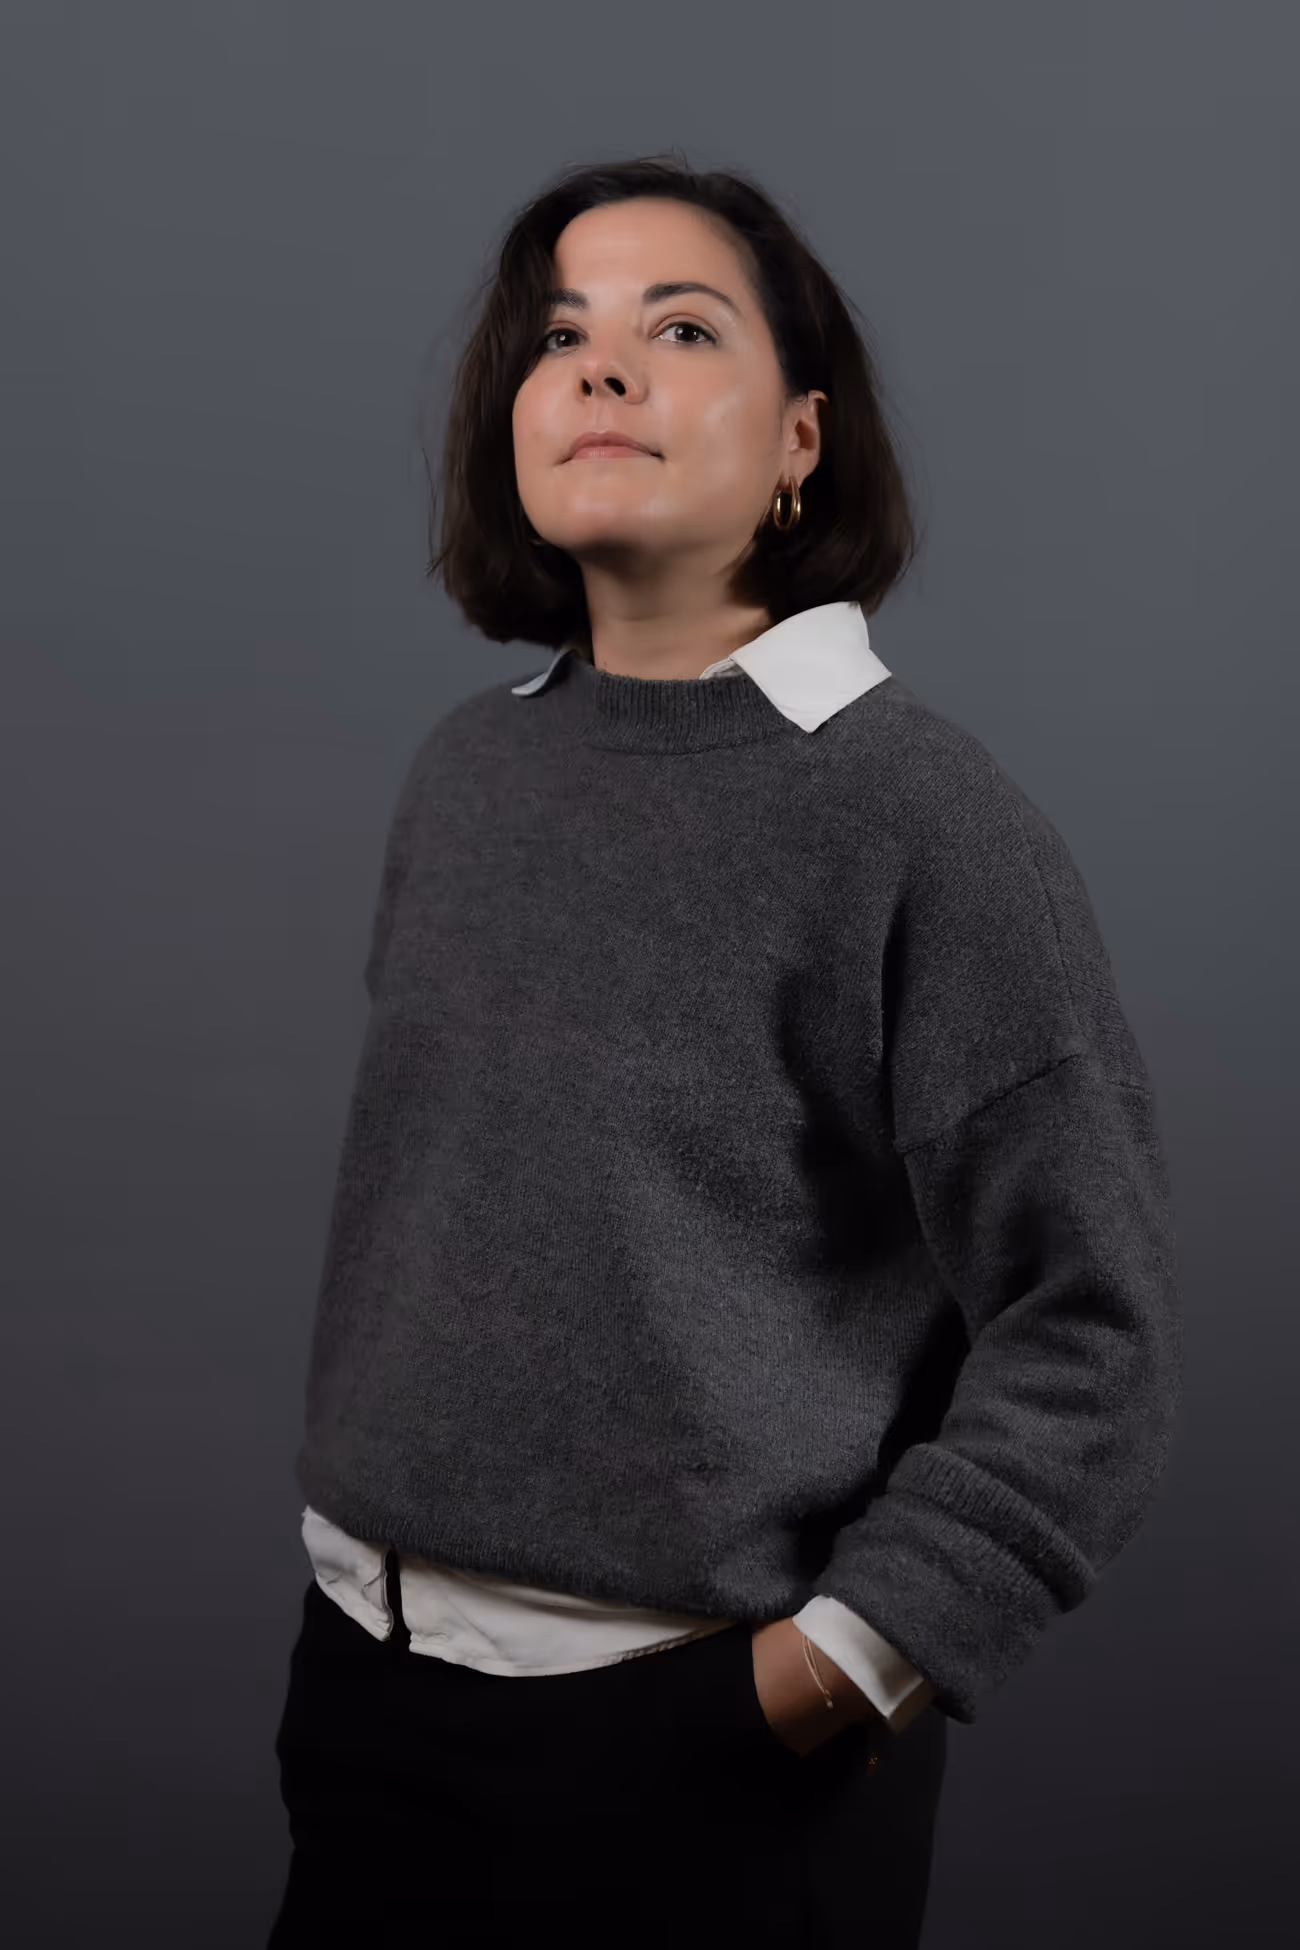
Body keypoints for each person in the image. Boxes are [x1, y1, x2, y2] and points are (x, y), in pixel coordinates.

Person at [266, 153, 1183, 1948]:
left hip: (705, 1751)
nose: (600, 368)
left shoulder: (921, 818)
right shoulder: (468, 774)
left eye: (678, 327)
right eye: (559, 334)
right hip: (363, 1700)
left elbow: (1096, 1326)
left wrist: (845, 1667)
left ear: (800, 440)